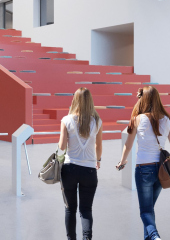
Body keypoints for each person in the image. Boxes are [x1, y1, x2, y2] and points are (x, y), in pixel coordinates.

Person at [116, 86, 170, 240]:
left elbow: (128, 145)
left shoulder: (137, 119)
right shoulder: (167, 119)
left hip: (143, 169)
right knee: (149, 209)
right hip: (161, 170)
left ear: (142, 99)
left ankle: (155, 236)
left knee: (145, 212)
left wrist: (122, 161)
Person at [58, 87, 103, 240]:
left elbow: (62, 146)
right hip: (89, 170)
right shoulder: (97, 121)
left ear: (75, 100)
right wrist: (98, 160)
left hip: (69, 169)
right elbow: (98, 146)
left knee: (70, 209)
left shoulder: (66, 120)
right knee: (86, 210)